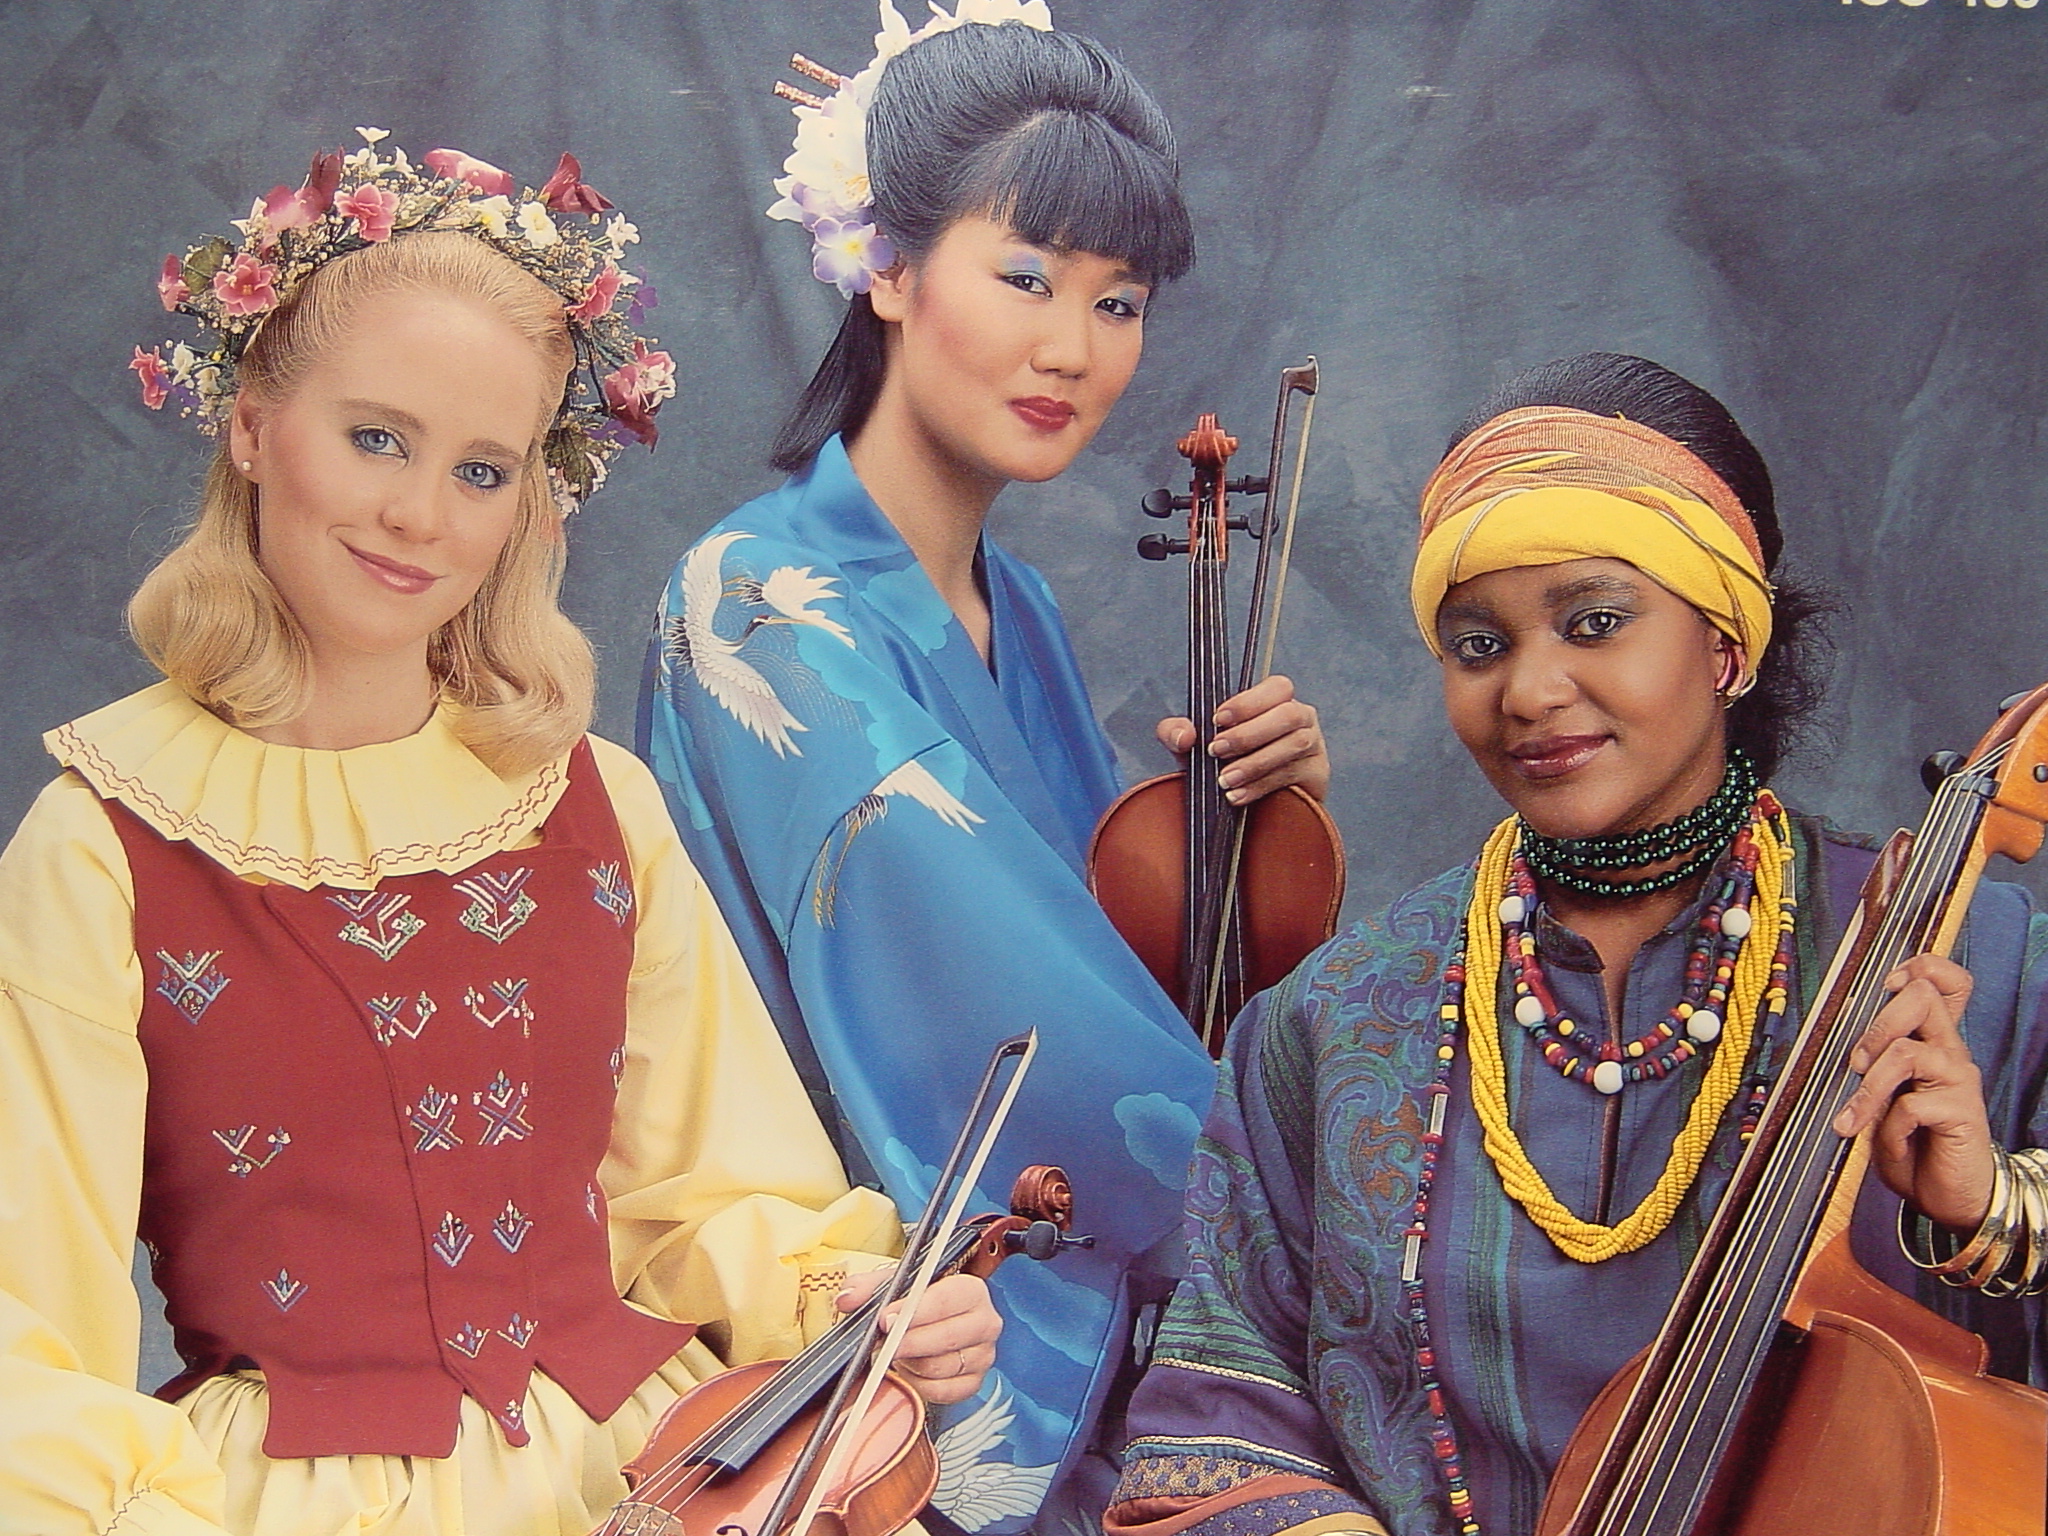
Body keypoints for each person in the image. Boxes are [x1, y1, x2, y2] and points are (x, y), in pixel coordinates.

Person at [0, 134, 998, 1536]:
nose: (420, 515)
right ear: (252, 427)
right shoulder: (100, 846)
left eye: (482, 471)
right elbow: (24, 1321)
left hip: (652, 1470)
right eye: (375, 439)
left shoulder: (595, 805)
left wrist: (855, 1297)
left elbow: (701, 1192)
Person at [1106, 353, 2048, 1536]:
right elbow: (1211, 1423)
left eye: (1594, 623)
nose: (1529, 690)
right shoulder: (1332, 1017)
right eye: (1477, 645)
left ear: (1726, 645)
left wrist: (1990, 1208)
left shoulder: (1973, 974)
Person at [637, 4, 1329, 1528]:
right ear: (886, 265)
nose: (1073, 348)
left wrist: (1237, 845)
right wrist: (1312, 1159)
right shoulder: (756, 602)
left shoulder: (1015, 606)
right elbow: (1017, 1018)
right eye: (1026, 278)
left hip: (1019, 1275)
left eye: (1118, 301)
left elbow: (1115, 961)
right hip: (867, 1309)